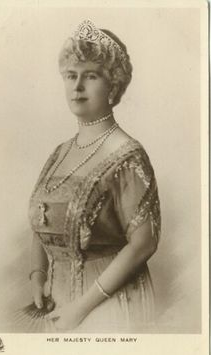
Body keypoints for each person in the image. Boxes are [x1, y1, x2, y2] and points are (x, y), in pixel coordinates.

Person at [23, 19, 161, 333]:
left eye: (91, 76)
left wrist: (81, 309)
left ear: (113, 85)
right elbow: (40, 221)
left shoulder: (128, 154)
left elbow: (144, 244)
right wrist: (38, 277)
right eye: (71, 76)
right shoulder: (60, 152)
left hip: (108, 303)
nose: (77, 86)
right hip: (57, 304)